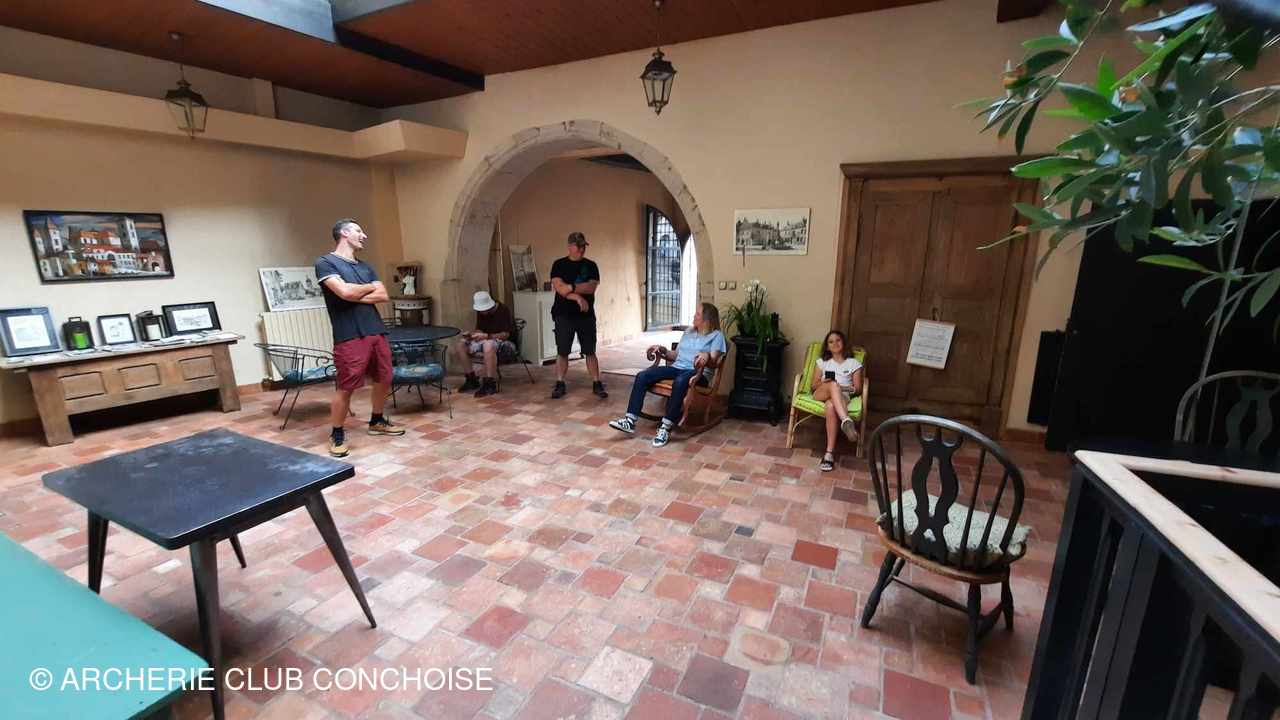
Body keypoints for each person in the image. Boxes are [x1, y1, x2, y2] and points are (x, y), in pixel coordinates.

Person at [314, 218, 406, 457]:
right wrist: (365, 288)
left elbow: (383, 295)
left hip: (376, 330)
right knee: (347, 386)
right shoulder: (325, 263)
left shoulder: (366, 267)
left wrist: (353, 292)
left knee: (384, 378)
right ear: (344, 233)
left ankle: (377, 421)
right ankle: (336, 433)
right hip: (349, 334)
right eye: (358, 230)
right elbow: (343, 292)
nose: (364, 235)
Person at [608, 302, 726, 448]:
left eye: (697, 314)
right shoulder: (689, 332)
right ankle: (630, 420)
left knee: (680, 381)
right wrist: (663, 350)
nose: (694, 316)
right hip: (677, 368)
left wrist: (706, 356)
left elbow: (714, 361)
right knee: (643, 376)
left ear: (706, 319)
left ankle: (666, 427)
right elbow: (675, 355)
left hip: (698, 374)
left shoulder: (716, 336)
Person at [549, 232, 607, 400]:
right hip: (563, 314)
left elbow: (591, 287)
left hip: (585, 316)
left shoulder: (591, 265)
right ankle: (560, 383)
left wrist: (572, 287)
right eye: (578, 246)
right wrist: (578, 297)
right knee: (563, 351)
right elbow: (560, 289)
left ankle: (596, 382)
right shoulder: (559, 264)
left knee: (590, 351)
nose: (581, 249)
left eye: (583, 246)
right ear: (570, 246)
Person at [813, 330, 863, 472]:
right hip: (822, 392)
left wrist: (841, 388)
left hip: (842, 396)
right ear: (827, 346)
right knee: (833, 385)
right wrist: (826, 382)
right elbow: (814, 385)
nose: (835, 343)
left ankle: (829, 454)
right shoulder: (822, 362)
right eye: (831, 341)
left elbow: (857, 389)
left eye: (838, 340)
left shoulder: (853, 363)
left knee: (830, 406)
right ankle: (845, 419)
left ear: (843, 343)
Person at [450, 290, 516, 398]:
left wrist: (487, 336)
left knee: (488, 345)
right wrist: (472, 336)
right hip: (485, 340)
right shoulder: (481, 312)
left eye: (483, 310)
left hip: (504, 343)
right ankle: (471, 379)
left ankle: (490, 383)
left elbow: (506, 335)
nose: (481, 313)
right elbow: (480, 329)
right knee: (461, 345)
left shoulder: (503, 310)